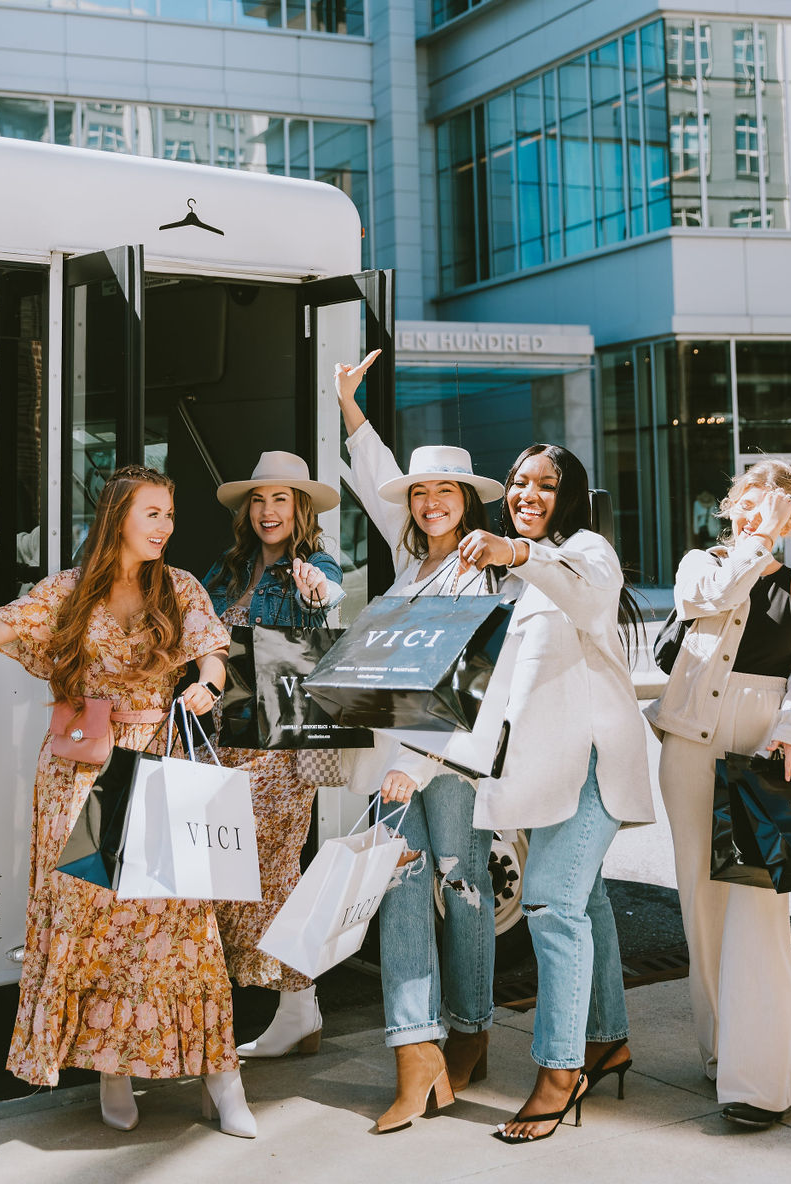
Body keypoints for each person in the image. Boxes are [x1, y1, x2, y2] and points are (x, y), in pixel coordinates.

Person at [0, 465, 257, 1139]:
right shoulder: (68, 591)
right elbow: (2, 623)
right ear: (119, 516)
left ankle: (221, 1077)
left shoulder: (178, 588)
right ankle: (112, 1071)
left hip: (156, 762)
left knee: (184, 925)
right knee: (93, 923)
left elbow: (213, 646)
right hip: (82, 769)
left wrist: (206, 683)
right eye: (152, 514)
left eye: (168, 515)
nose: (164, 527)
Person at [455, 442, 654, 1144]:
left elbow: (589, 594)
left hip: (594, 762)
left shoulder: (588, 551)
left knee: (548, 902)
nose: (527, 495)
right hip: (541, 770)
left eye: (545, 485)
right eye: (517, 483)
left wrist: (516, 555)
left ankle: (558, 1073)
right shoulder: (508, 576)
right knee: (587, 900)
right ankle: (606, 1042)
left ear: (569, 496)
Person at [335, 351, 506, 1133]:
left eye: (447, 493)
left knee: (466, 897)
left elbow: (471, 680)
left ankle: (470, 1030)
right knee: (400, 897)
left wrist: (419, 763)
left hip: (448, 764)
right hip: (392, 763)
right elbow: (377, 482)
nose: (433, 503)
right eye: (424, 493)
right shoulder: (409, 562)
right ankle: (416, 1056)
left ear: (469, 502)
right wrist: (349, 404)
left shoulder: (481, 574)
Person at [645, 460, 791, 1130]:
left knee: (760, 911)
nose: (752, 517)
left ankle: (762, 1080)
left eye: (768, 508)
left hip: (762, 760)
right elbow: (712, 600)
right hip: (690, 750)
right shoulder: (702, 564)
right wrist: (754, 540)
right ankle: (724, 1056)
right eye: (744, 505)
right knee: (701, 906)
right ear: (729, 508)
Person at [202, 451, 343, 1061]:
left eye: (280, 499)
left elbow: (329, 596)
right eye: (259, 500)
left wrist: (318, 592)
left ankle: (294, 1007)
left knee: (271, 877)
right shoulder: (229, 568)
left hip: (284, 748)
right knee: (232, 874)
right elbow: (195, 625)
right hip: (221, 739)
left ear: (300, 508)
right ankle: (297, 1010)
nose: (267, 511)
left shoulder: (314, 565)